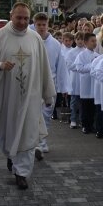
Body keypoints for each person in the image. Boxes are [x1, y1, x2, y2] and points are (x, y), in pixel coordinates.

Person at [0, 2, 56, 190]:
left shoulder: (35, 39)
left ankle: (22, 173)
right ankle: (11, 156)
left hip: (30, 98)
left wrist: (47, 93)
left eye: (26, 18)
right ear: (11, 15)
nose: (22, 21)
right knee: (7, 134)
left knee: (27, 134)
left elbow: (44, 67)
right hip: (7, 97)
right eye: (19, 17)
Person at [33, 12, 69, 156]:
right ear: (34, 25)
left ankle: (42, 142)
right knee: (34, 115)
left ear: (48, 25)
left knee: (46, 115)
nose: (42, 27)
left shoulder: (55, 44)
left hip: (50, 84)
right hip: (32, 84)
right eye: (39, 25)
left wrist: (64, 87)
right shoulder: (30, 40)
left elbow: (61, 66)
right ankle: (35, 143)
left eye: (44, 25)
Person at [72, 32, 99, 134]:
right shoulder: (81, 55)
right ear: (86, 42)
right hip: (85, 83)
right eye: (92, 41)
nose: (94, 43)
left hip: (94, 83)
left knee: (93, 106)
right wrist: (92, 65)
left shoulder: (97, 55)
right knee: (85, 106)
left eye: (95, 41)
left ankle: (92, 125)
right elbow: (79, 68)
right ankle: (85, 125)